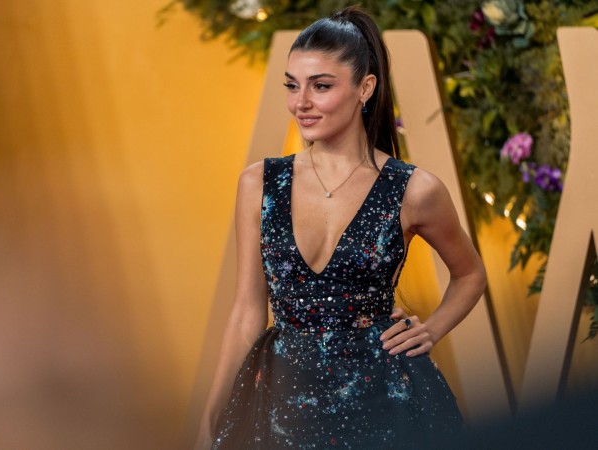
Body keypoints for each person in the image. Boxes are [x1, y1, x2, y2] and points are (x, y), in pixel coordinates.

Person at [196, 6, 487, 449]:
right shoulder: (259, 182)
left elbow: (470, 273)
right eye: (292, 85)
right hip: (285, 405)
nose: (301, 103)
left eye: (321, 86)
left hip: (386, 404)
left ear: (365, 88)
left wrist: (430, 330)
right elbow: (246, 313)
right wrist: (212, 418)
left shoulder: (414, 189)